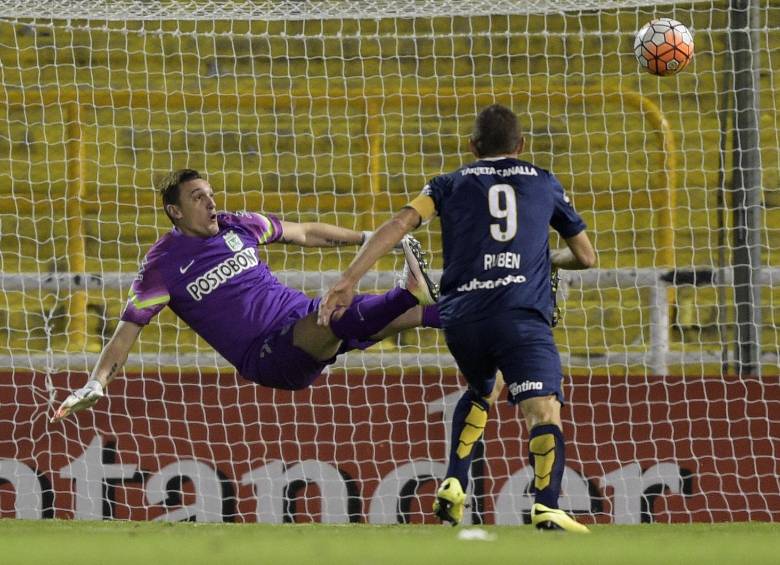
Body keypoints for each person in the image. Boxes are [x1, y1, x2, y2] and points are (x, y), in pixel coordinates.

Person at [319, 104, 596, 532]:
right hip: (519, 312)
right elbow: (586, 256)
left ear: (472, 146)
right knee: (543, 411)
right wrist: (547, 259)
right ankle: (546, 503)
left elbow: (399, 223)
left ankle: (454, 479)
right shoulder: (544, 181)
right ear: (520, 146)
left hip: (462, 318)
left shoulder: (447, 183)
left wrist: (349, 279)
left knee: (484, 386)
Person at [52, 169, 441, 423]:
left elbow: (305, 233)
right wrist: (96, 382)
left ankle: (452, 310)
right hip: (267, 353)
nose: (211, 203)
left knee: (369, 317)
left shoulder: (239, 225)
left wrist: (372, 240)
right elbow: (127, 330)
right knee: (337, 315)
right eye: (198, 197)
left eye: (210, 194)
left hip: (300, 315)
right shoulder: (162, 266)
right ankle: (409, 295)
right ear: (175, 211)